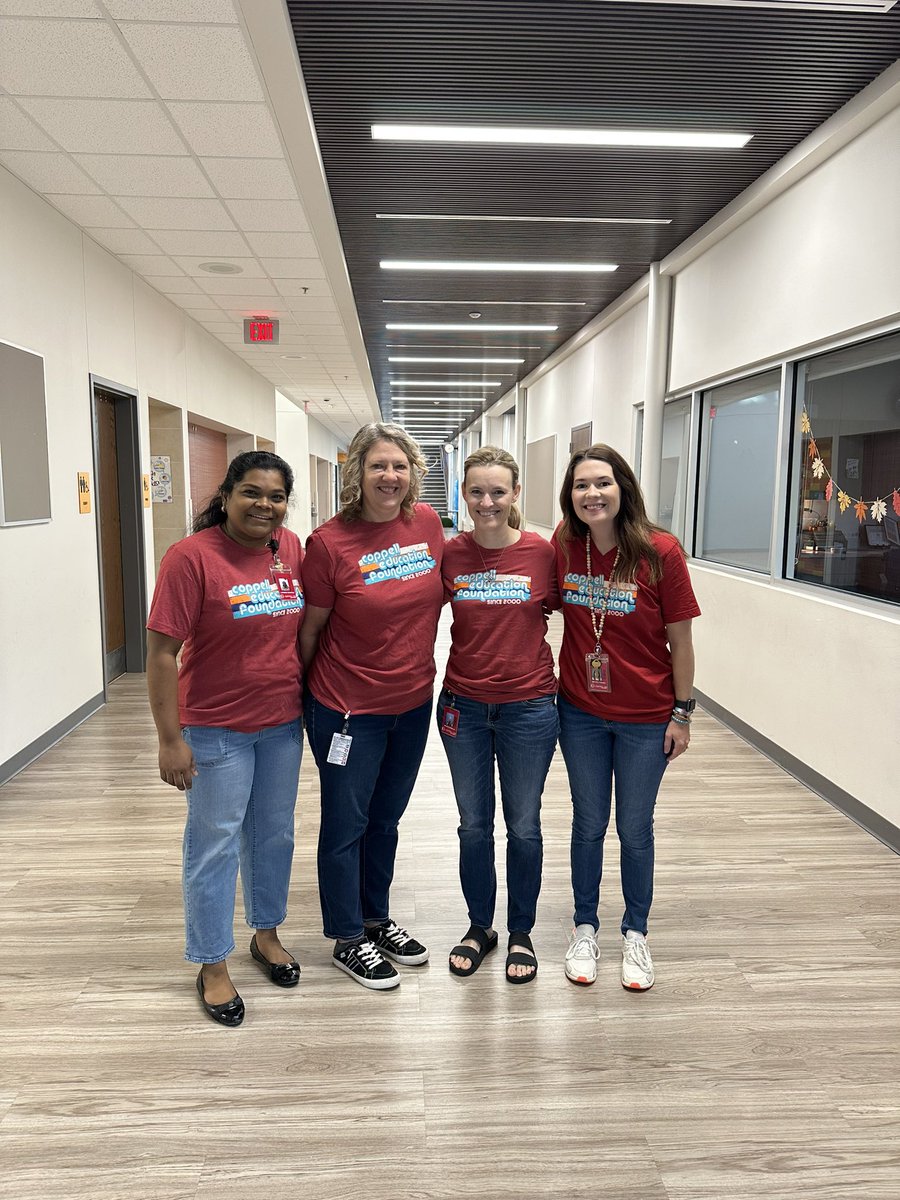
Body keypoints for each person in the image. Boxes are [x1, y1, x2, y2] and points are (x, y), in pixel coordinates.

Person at [146, 451, 305, 1027]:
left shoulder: (290, 549)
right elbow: (161, 654)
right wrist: (170, 739)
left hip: (282, 723)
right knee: (214, 842)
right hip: (216, 727)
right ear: (226, 495)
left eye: (276, 496)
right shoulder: (191, 558)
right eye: (252, 493)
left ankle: (266, 934)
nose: (265, 505)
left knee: (274, 835)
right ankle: (212, 962)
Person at [300, 423, 444, 990]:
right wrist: (304, 697)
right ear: (357, 471)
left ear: (413, 474)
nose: (389, 476)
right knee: (346, 824)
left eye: (399, 466)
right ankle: (346, 936)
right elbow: (311, 629)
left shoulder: (426, 523)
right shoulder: (328, 543)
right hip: (346, 708)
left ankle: (375, 919)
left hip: (411, 703)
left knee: (385, 819)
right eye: (378, 465)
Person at [552, 444, 700, 991]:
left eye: (603, 483)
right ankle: (584, 926)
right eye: (581, 485)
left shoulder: (660, 552)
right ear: (570, 495)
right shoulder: (565, 545)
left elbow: (681, 642)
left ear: (623, 489)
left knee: (635, 828)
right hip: (580, 712)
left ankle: (636, 931)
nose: (592, 493)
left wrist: (682, 714)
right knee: (588, 823)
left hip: (646, 716)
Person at [438, 446, 559, 984]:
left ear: (515, 494)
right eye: (476, 492)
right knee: (472, 825)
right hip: (462, 706)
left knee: (524, 825)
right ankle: (480, 926)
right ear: (464, 495)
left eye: (498, 492)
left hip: (529, 707)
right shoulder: (450, 554)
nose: (487, 502)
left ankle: (521, 931)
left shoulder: (541, 554)